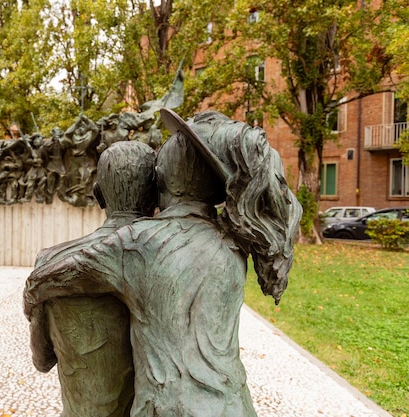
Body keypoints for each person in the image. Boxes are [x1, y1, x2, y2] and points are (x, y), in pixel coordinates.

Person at [24, 109, 302, 416]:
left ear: (176, 169)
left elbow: (51, 276)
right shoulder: (233, 242)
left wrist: (32, 293)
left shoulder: (140, 242)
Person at [27, 140, 157, 417]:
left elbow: (42, 359)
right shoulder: (179, 262)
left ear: (98, 195)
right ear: (157, 197)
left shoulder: (49, 262)